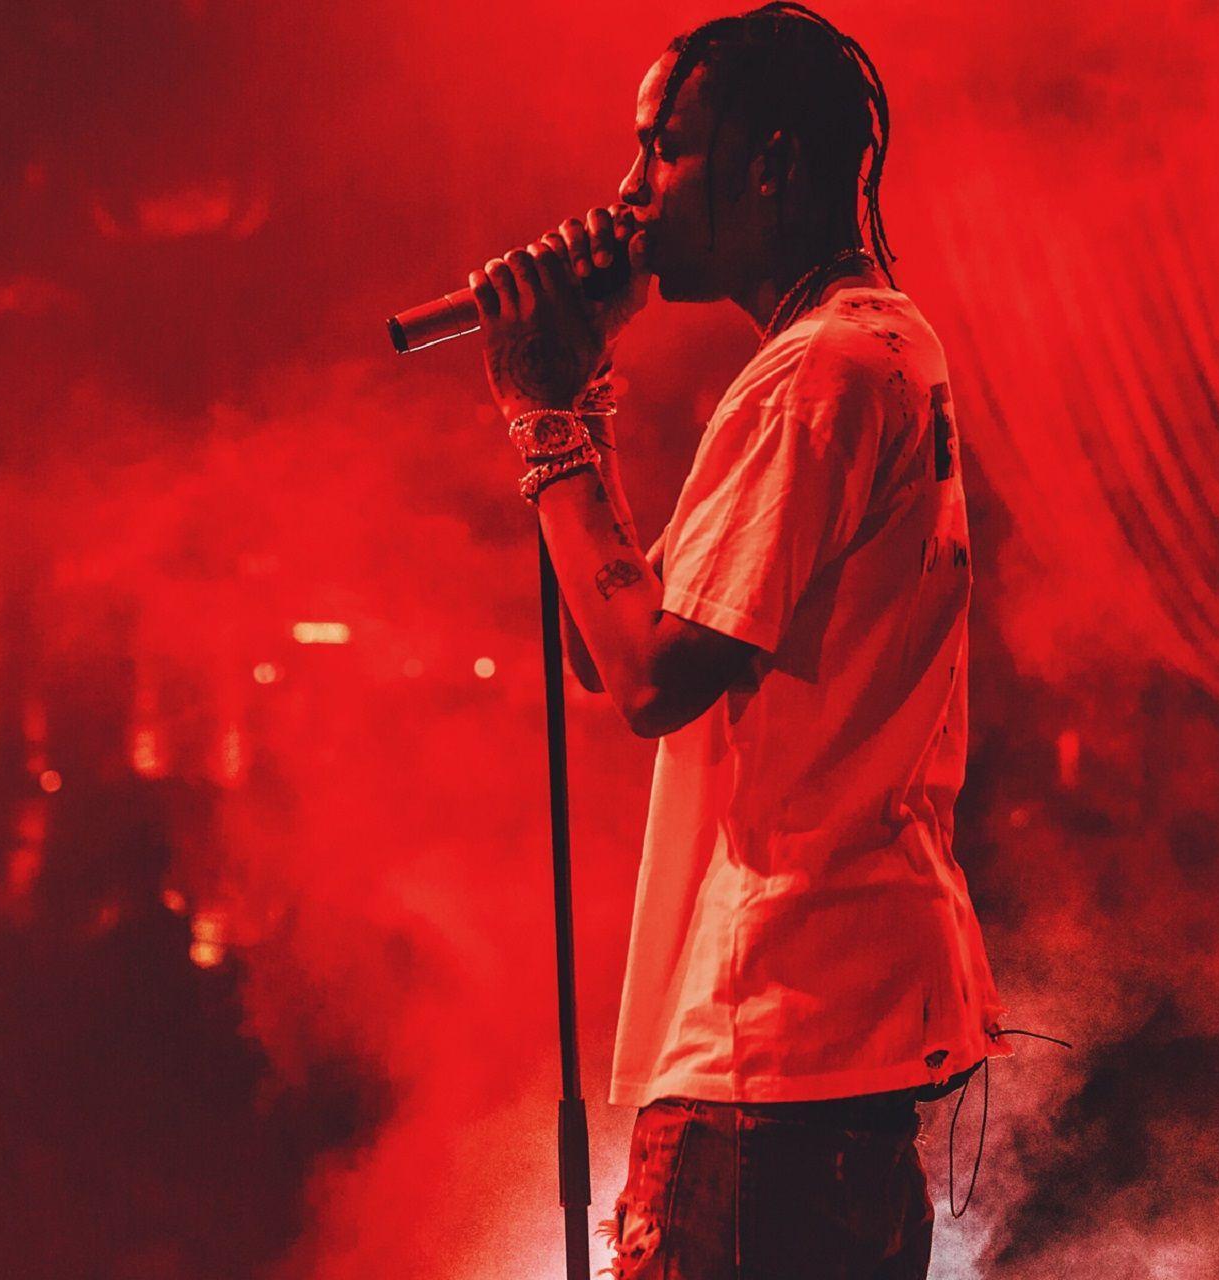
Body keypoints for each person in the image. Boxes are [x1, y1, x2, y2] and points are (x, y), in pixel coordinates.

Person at [465, 5, 1006, 1275]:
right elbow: (618, 635)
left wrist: (540, 416)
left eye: (664, 149)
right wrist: (580, 396)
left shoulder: (818, 371)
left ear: (772, 164)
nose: (629, 189)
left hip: (775, 1041)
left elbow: (647, 678)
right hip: (840, 1033)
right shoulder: (886, 343)